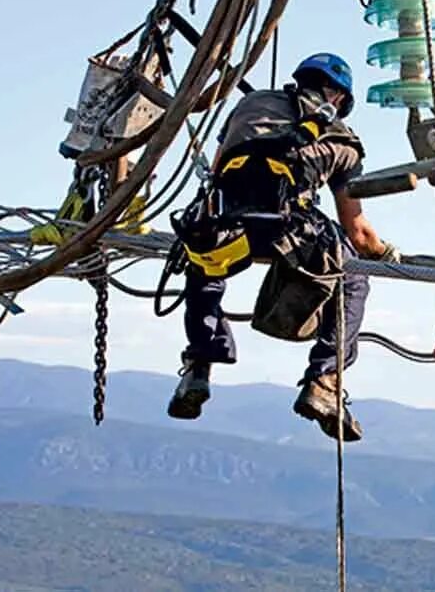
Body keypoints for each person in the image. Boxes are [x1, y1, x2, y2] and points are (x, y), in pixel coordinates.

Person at [166, 53, 399, 442]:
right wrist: (384, 252)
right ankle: (324, 381)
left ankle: (199, 366)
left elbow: (220, 168)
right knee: (354, 276)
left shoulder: (249, 105)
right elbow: (357, 232)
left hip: (226, 230)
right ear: (338, 98)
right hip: (291, 234)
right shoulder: (342, 140)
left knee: (202, 265)